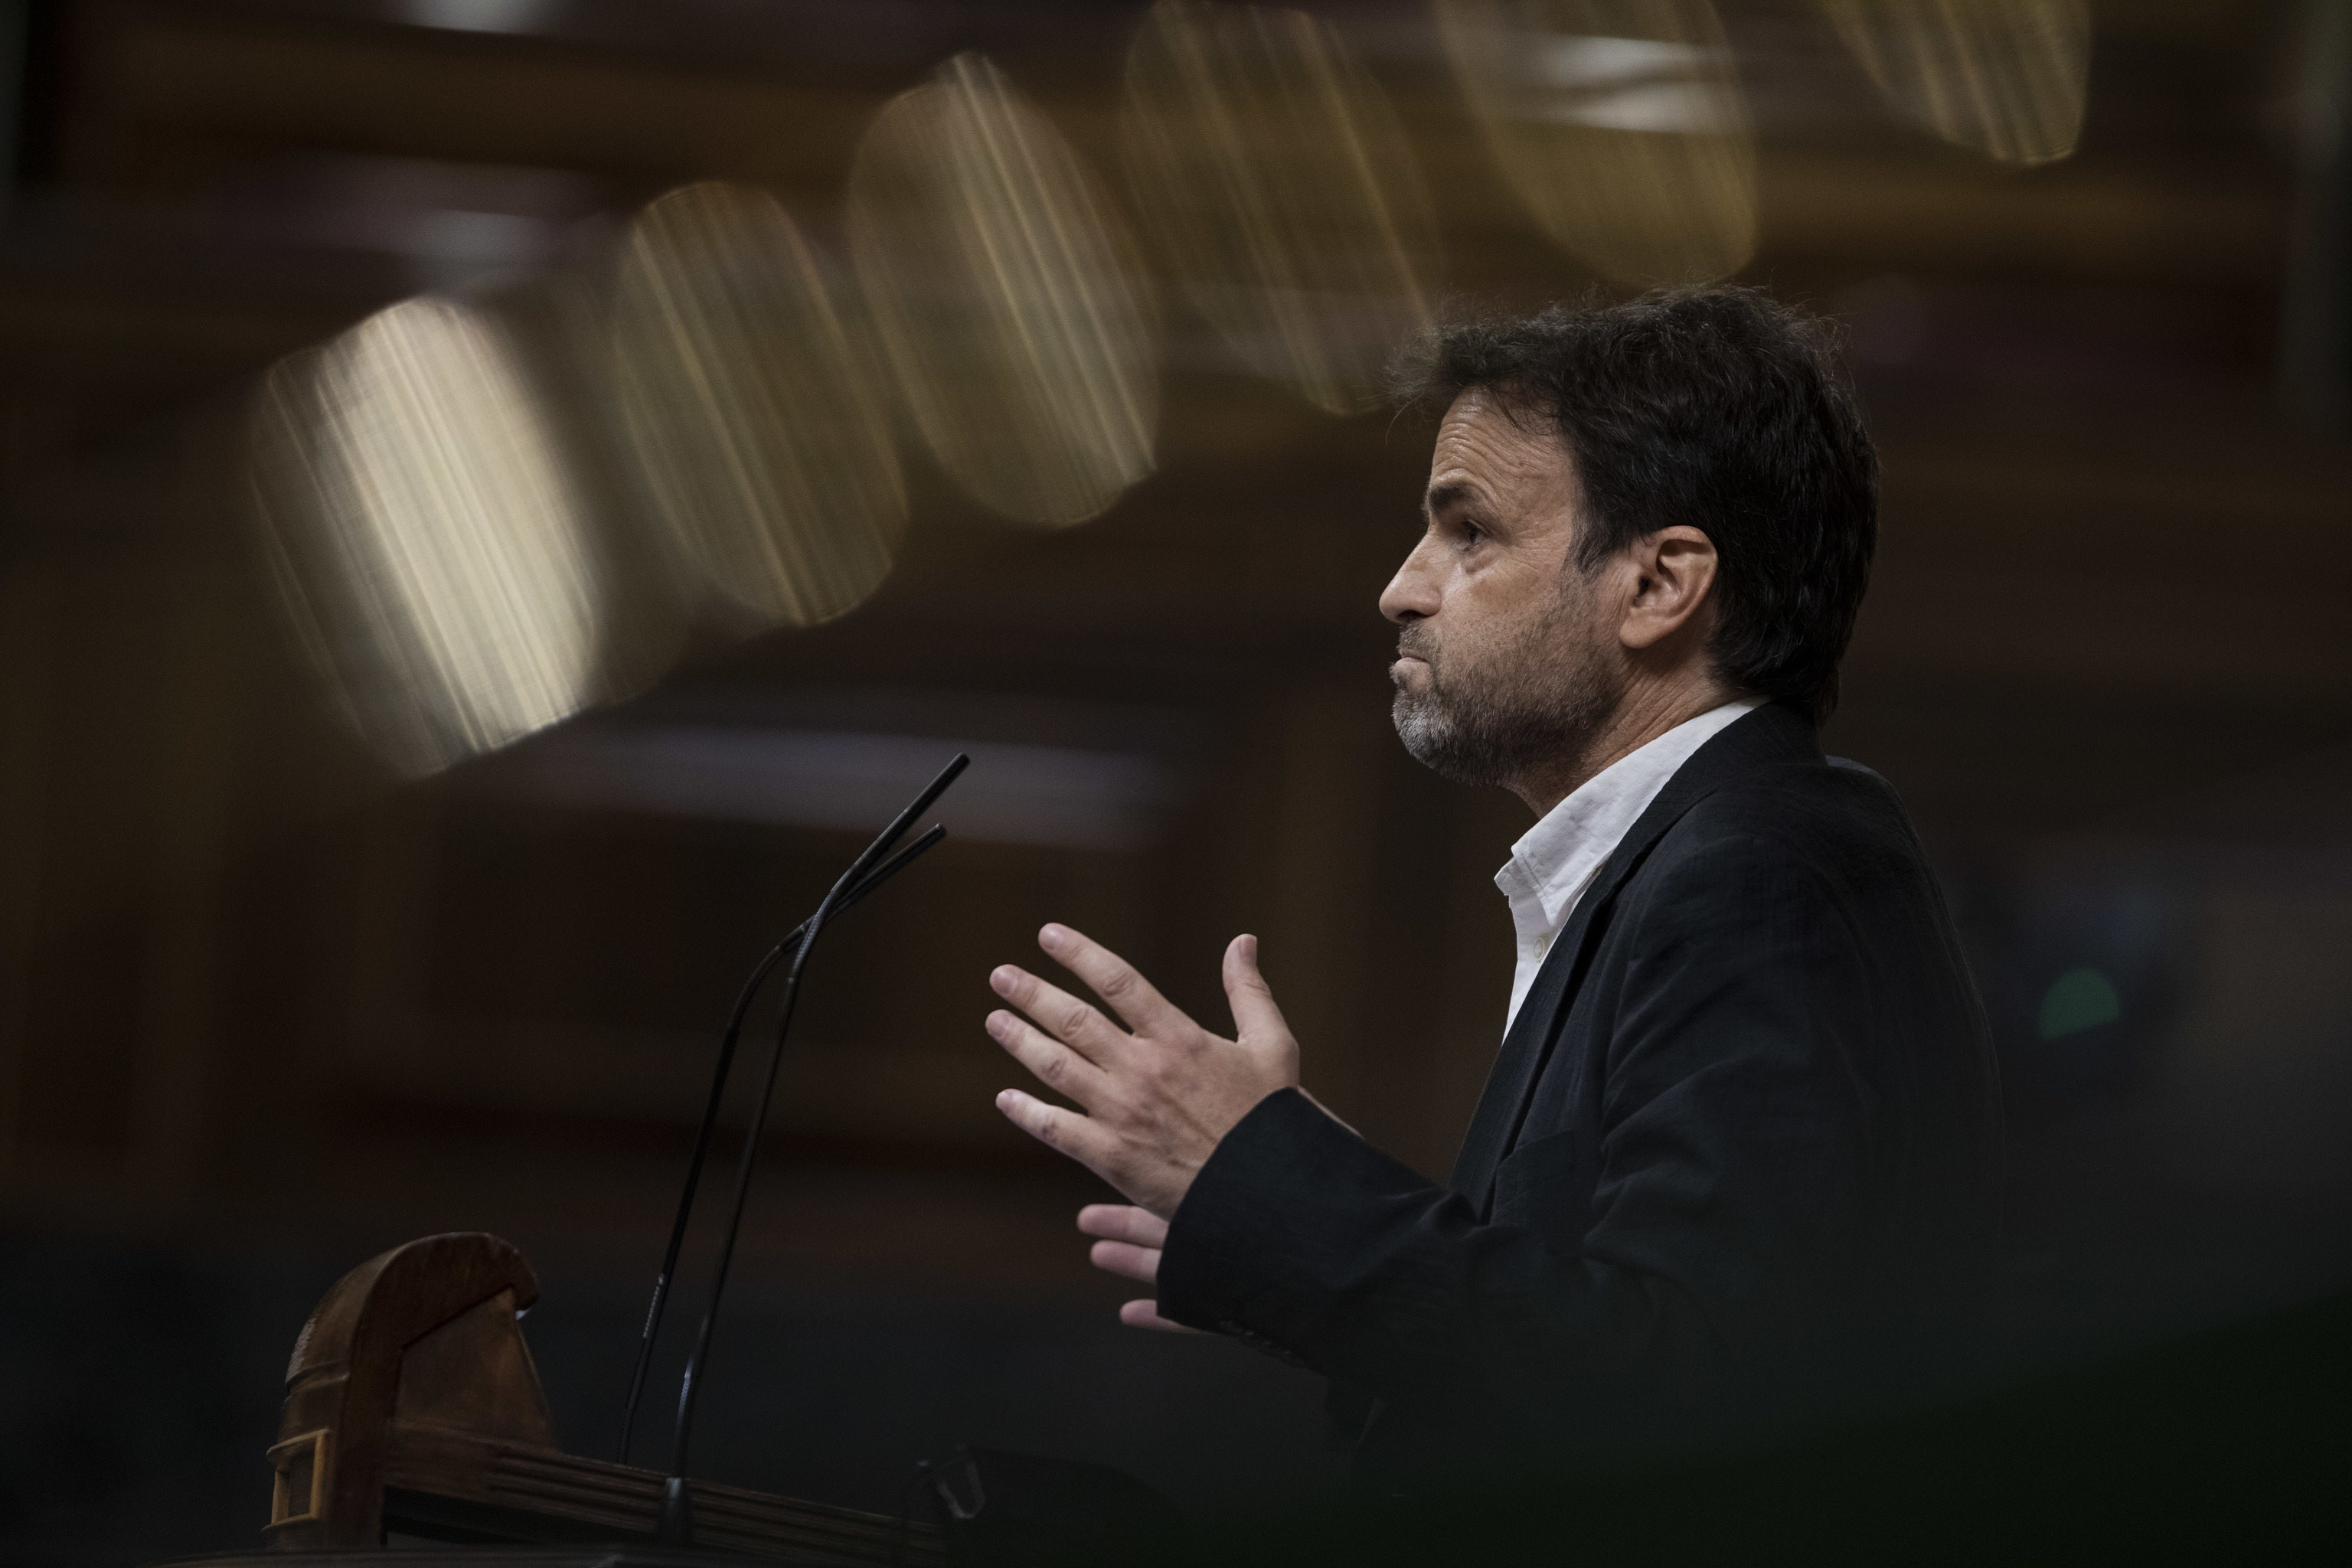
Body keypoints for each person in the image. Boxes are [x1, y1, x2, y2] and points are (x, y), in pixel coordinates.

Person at [978, 287, 2002, 1486]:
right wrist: (1288, 1245)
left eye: (1468, 532)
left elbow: (1699, 1392)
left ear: (1659, 585)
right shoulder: (1699, 860)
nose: (1403, 589)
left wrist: (1291, 1199)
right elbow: (1598, 1355)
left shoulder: (1759, 878)